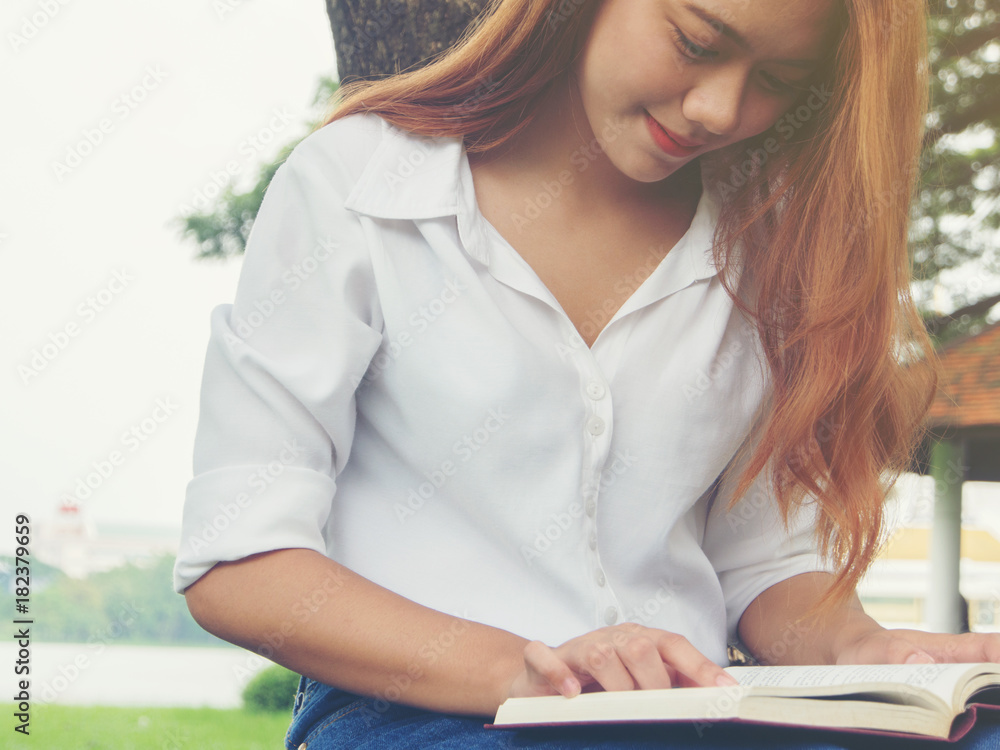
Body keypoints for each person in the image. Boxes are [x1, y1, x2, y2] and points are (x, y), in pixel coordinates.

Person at [173, 0, 1000, 747]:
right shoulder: (355, 186)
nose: (720, 109)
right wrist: (525, 670)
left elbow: (764, 561)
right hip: (419, 715)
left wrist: (868, 651)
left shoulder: (768, 238)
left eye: (779, 80)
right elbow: (240, 565)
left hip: (695, 713)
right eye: (696, 41)